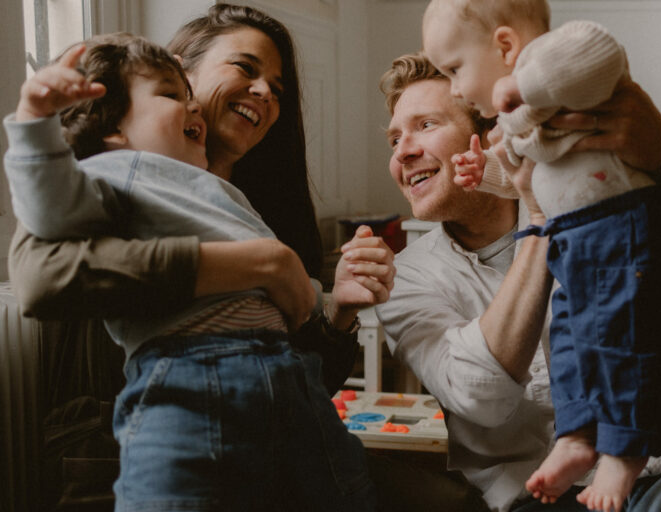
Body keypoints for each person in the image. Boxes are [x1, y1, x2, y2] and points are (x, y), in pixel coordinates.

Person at [4, 6, 397, 509]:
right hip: (137, 439)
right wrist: (262, 264)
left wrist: (339, 310)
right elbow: (42, 280)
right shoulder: (107, 170)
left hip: (275, 410)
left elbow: (298, 375)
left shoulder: (248, 202)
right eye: (245, 68)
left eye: (276, 89)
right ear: (181, 68)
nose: (264, 93)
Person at [376, 50, 661, 512]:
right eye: (394, 139)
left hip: (651, 472)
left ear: (491, 133)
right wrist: (540, 219)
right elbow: (483, 396)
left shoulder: (600, 215)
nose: (403, 150)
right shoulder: (406, 277)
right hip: (531, 495)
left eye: (425, 125)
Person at [420, 1, 661, 509]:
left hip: (626, 227)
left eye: (455, 70)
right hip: (576, 241)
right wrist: (487, 175)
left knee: (623, 341)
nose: (456, 88)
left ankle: (623, 455)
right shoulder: (517, 124)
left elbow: (599, 52)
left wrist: (521, 91)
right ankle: (577, 436)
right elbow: (534, 184)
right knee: (570, 342)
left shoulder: (553, 63)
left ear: (505, 46)